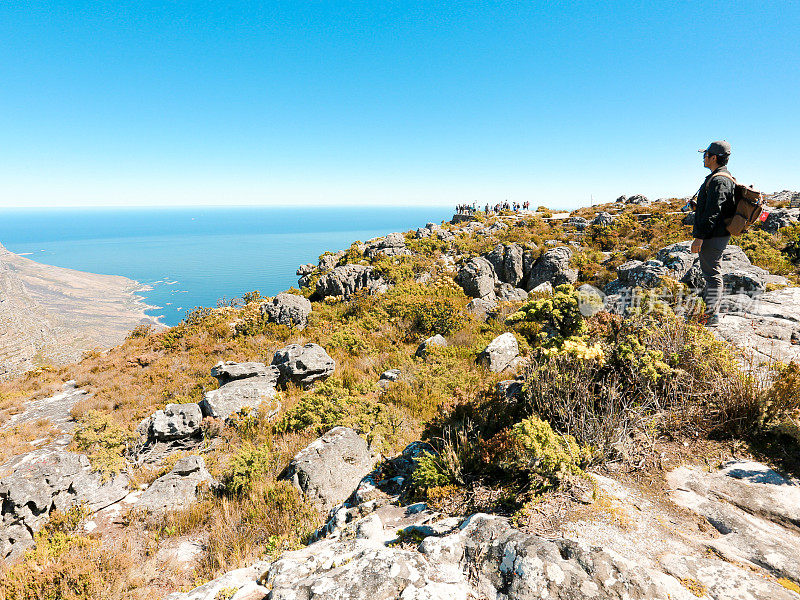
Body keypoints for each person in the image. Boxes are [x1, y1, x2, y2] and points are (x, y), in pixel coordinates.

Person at [692, 140, 736, 326]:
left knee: (711, 275)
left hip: (713, 236)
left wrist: (699, 239)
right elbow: (714, 207)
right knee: (711, 273)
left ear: (714, 157)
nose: (704, 157)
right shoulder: (720, 177)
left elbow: (713, 213)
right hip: (716, 234)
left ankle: (711, 316)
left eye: (706, 154)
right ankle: (710, 313)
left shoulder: (719, 180)